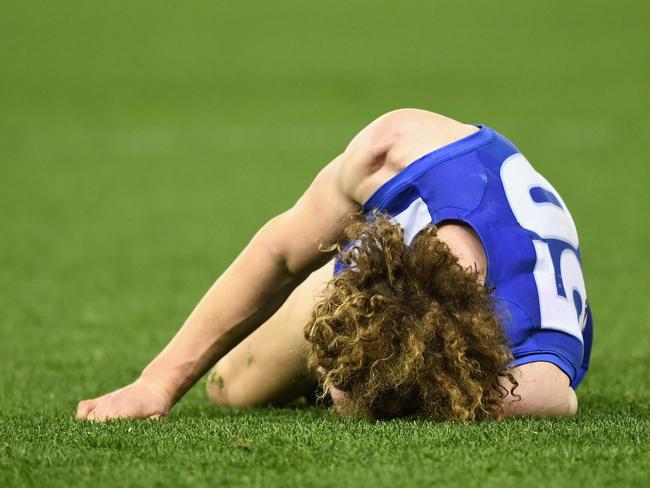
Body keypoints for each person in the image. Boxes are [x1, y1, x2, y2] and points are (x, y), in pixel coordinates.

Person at [76, 109, 592, 422]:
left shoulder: (526, 379)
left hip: (446, 334)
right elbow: (281, 252)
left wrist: (371, 395)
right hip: (391, 270)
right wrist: (157, 383)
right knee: (227, 388)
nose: (325, 370)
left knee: (310, 390)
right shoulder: (397, 148)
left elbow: (558, 402)